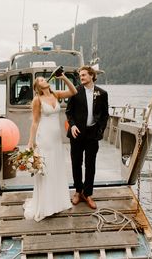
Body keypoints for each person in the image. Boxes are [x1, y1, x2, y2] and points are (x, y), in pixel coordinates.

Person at [23, 73, 77, 222]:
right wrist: (30, 142)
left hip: (56, 138)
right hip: (44, 137)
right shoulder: (37, 100)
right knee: (46, 169)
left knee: (56, 168)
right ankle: (46, 206)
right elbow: (34, 122)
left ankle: (57, 202)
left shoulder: (56, 94)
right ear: (37, 87)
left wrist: (64, 78)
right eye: (40, 80)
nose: (43, 80)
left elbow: (74, 92)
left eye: (43, 78)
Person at [65, 65, 109, 209]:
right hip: (76, 134)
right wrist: (72, 125)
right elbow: (69, 112)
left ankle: (87, 193)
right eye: (80, 75)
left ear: (91, 75)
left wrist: (100, 130)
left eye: (83, 75)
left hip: (92, 135)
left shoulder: (102, 93)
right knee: (76, 163)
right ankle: (78, 191)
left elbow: (104, 115)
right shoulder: (75, 91)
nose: (81, 77)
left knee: (90, 165)